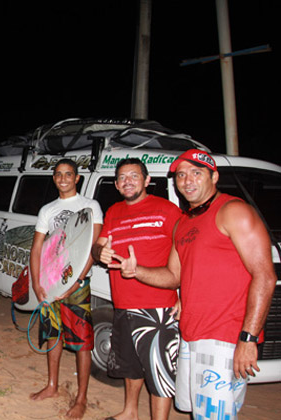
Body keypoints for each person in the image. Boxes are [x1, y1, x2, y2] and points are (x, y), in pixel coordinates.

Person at [111, 149, 276, 419]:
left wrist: (248, 339)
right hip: (190, 333)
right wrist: (137, 271)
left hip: (224, 335)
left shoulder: (233, 211)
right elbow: (173, 276)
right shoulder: (184, 223)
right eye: (181, 175)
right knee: (194, 410)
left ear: (214, 176)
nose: (187, 181)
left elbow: (265, 276)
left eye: (196, 173)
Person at [91, 158, 181, 420]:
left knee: (159, 371)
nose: (127, 181)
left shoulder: (167, 210)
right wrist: (101, 252)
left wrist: (183, 296)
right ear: (117, 185)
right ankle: (130, 412)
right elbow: (98, 246)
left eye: (133, 175)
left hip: (158, 307)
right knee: (130, 365)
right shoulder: (114, 212)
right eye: (122, 178)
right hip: (123, 303)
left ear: (147, 180)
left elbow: (187, 255)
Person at [29, 158, 103, 420]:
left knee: (82, 342)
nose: (63, 179)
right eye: (59, 174)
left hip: (78, 283)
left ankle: (81, 399)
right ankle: (52, 385)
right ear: (54, 178)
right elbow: (37, 247)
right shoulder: (47, 209)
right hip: (51, 282)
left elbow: (92, 248)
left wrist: (75, 281)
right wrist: (38, 282)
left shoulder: (90, 206)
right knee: (53, 334)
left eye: (68, 174)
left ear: (77, 178)